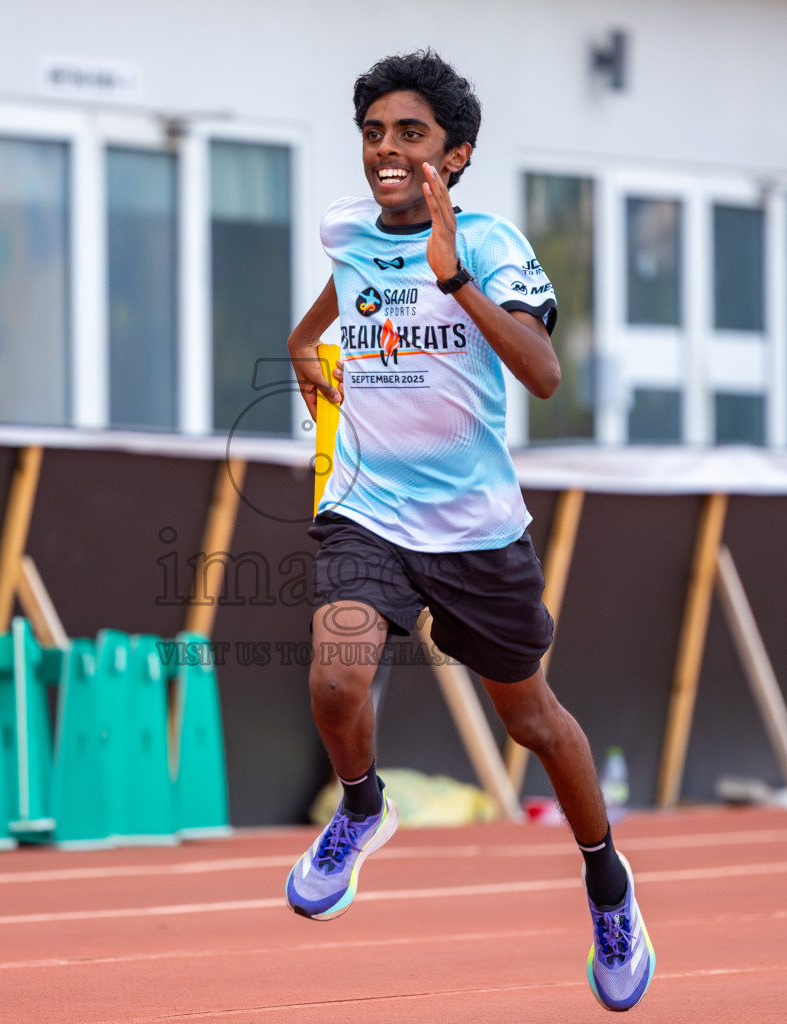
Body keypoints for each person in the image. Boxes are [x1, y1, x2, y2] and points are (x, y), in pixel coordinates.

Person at [282, 50, 654, 1012]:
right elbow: (338, 295)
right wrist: (299, 348)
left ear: (457, 154)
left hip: (476, 530)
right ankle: (362, 810)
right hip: (370, 507)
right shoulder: (345, 228)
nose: (387, 152)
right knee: (335, 675)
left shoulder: (489, 244)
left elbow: (543, 373)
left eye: (411, 135)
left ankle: (607, 882)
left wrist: (454, 282)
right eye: (373, 133)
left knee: (533, 721)